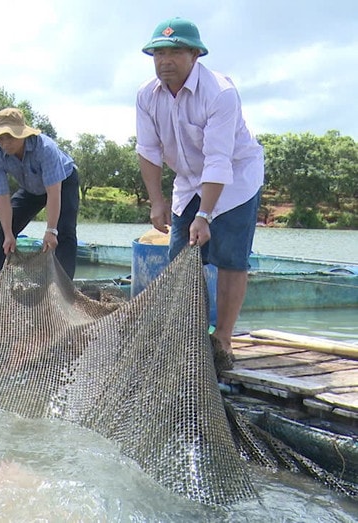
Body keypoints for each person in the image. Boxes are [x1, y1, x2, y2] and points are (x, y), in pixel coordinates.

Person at [135, 17, 264, 368]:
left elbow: (219, 159)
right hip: (188, 181)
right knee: (181, 258)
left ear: (195, 55)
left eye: (175, 52)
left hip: (235, 180)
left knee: (231, 258)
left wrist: (204, 215)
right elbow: (148, 150)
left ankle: (222, 340)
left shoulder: (219, 92)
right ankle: (188, 336)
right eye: (158, 53)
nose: (165, 61)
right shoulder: (147, 95)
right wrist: (157, 201)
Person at [0, 108, 80, 298]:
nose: (5, 143)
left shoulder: (45, 149)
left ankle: (63, 289)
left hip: (63, 182)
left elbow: (54, 192)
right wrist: (8, 234)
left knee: (64, 231)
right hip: (32, 188)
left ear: (22, 133)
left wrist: (51, 230)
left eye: (10, 137)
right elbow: (2, 197)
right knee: (6, 228)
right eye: (0, 138)